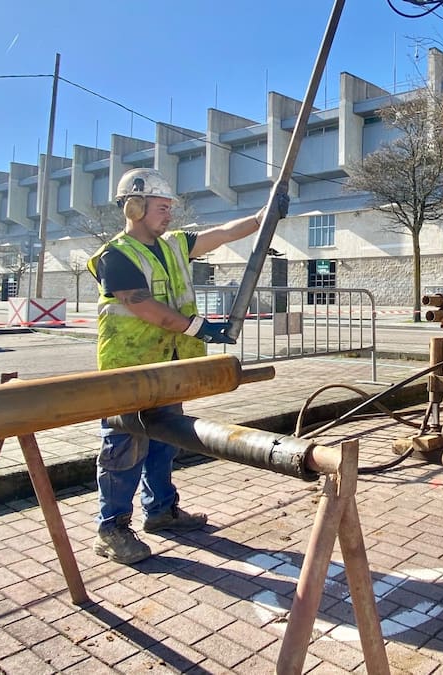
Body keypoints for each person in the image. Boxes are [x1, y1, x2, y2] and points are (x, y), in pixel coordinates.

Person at [87, 167, 289, 563]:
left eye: (169, 208)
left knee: (165, 439)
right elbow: (142, 304)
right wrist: (200, 328)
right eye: (161, 207)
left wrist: (264, 215)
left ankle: (161, 511)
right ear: (134, 207)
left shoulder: (175, 245)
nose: (169, 215)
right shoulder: (114, 255)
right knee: (123, 448)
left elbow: (227, 233)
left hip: (169, 369)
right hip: (128, 370)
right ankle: (111, 529)